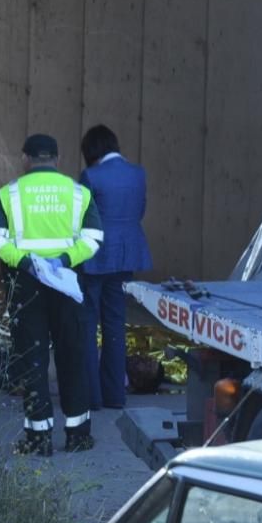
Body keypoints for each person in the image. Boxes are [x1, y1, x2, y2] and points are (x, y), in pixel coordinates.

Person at [0, 134, 104, 456]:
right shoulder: (78, 193)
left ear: (25, 159)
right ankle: (78, 435)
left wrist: (26, 262)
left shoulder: (9, 194)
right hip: (66, 283)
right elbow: (94, 239)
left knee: (32, 358)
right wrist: (63, 260)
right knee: (72, 356)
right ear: (57, 158)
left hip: (26, 284)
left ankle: (38, 439)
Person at [79, 125, 152, 410]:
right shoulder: (138, 173)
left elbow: (81, 216)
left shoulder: (91, 175)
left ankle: (90, 397)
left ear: (92, 152)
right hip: (126, 255)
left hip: (95, 256)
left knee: (87, 325)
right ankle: (115, 396)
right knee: (114, 325)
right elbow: (141, 210)